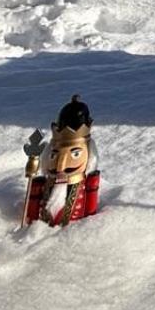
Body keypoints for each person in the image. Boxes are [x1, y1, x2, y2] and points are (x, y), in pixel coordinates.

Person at [25, 95, 101, 227]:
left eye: (75, 154)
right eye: (55, 155)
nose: (61, 166)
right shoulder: (43, 185)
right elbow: (32, 213)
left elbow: (90, 212)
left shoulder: (86, 185)